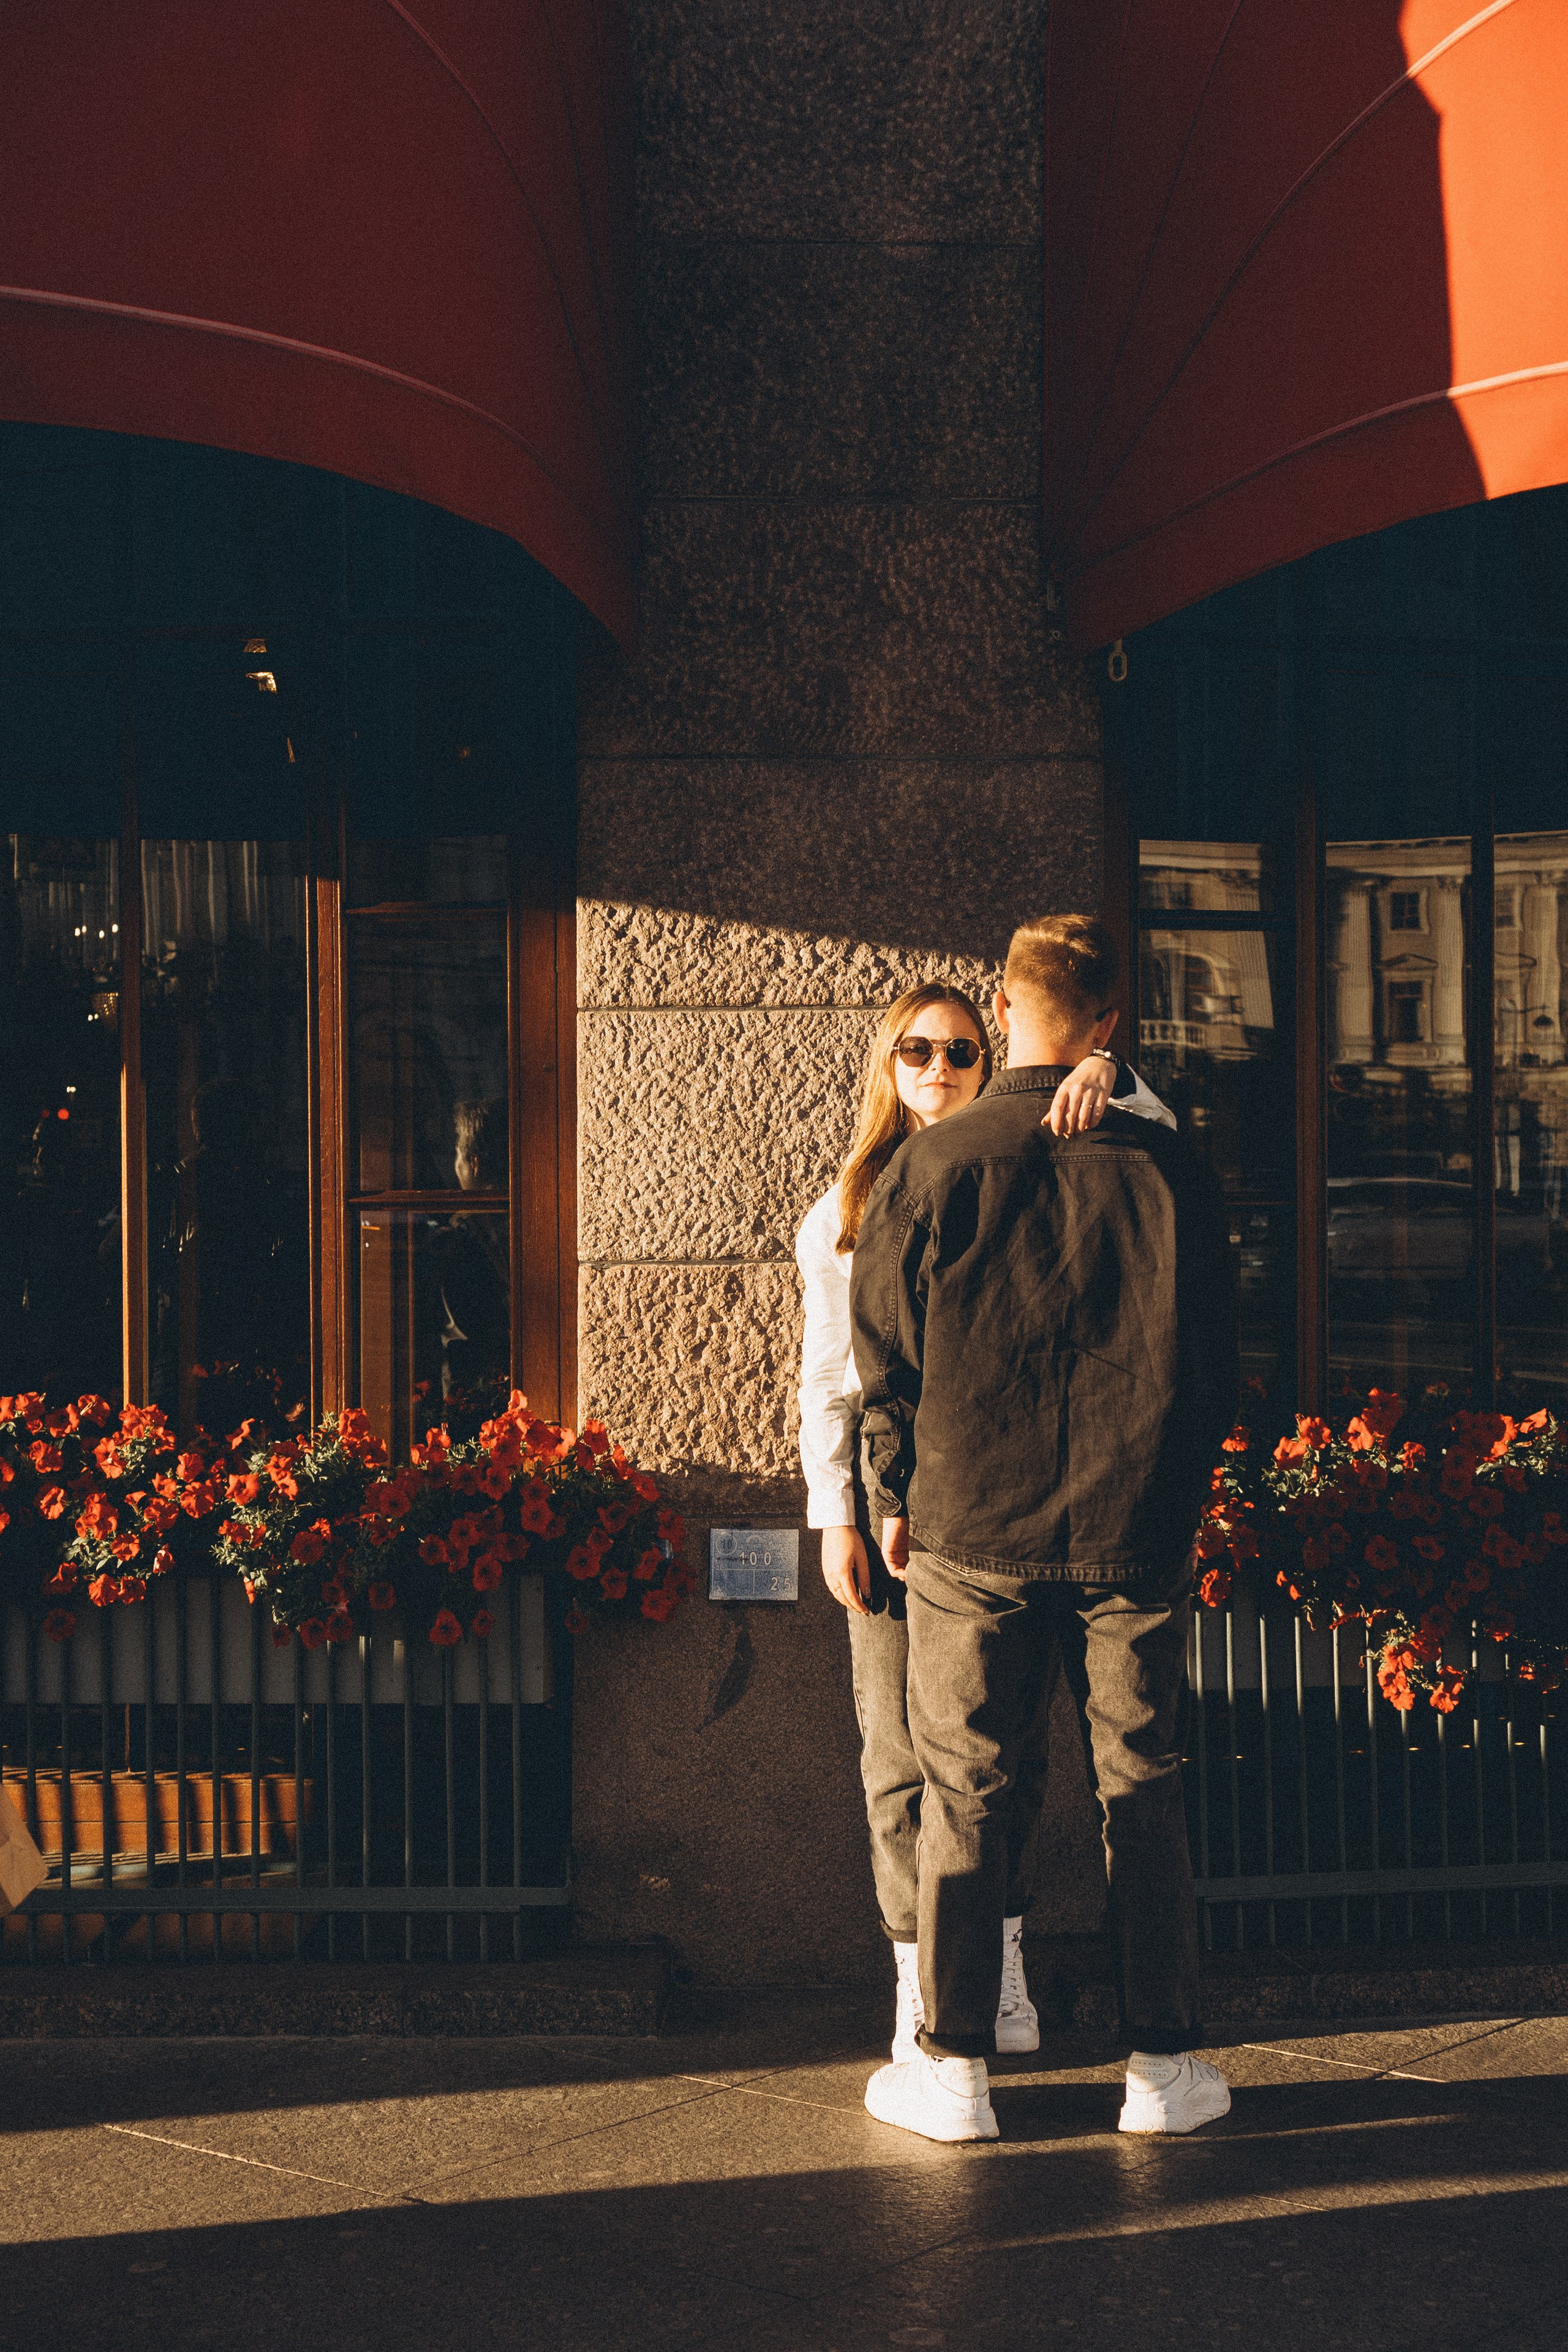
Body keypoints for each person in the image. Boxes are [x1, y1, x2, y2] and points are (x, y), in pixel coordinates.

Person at [849, 916, 1238, 2143]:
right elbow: (1220, 1362)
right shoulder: (1165, 1165)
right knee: (1145, 1790)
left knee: (965, 1787)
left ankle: (953, 2071)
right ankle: (1160, 2069)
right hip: (1130, 1531)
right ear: (1109, 1026)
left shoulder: (937, 1161)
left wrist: (892, 1493)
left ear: (1006, 1010)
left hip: (971, 1532)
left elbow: (883, 1359)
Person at [796, 978, 1175, 2067]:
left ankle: (996, 1979)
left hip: (1004, 1520)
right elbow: (832, 1377)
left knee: (1001, 1762)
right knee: (900, 1759)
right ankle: (921, 1990)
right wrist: (840, 1516)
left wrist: (1117, 1074)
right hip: (892, 1517)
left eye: (961, 1052)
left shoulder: (1042, 1156)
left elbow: (1163, 1151)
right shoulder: (853, 1206)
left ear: (995, 1054)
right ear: (888, 1066)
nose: (938, 1071)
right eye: (915, 1051)